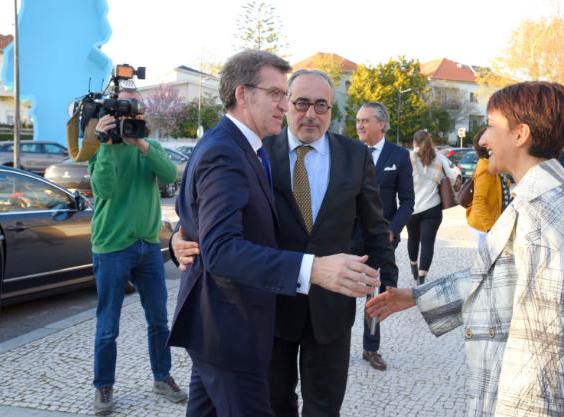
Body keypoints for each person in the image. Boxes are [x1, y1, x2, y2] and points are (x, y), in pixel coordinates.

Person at [367, 81, 564, 417]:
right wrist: (416, 296)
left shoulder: (544, 212)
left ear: (520, 134)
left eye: (489, 126)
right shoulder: (537, 196)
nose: (483, 140)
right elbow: (497, 275)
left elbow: (541, 341)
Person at [172, 68, 396, 417]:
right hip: (271, 306)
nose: (311, 114)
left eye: (321, 106)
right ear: (287, 104)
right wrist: (178, 240)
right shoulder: (259, 149)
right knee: (276, 403)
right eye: (302, 103)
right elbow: (216, 212)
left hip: (331, 309)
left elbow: (374, 224)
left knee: (324, 406)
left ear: (332, 112)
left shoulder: (355, 155)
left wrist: (388, 279)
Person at [90, 87, 187, 415]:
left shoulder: (150, 148)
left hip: (147, 246)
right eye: (129, 117)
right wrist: (105, 147)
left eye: (139, 117)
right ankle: (103, 386)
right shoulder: (101, 151)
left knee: (159, 320)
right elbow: (104, 189)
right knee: (108, 325)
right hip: (111, 246)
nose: (135, 122)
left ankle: (162, 377)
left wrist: (142, 144)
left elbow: (171, 175)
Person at [352, 101, 414, 371]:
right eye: (358, 120)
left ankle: (371, 348)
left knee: (376, 294)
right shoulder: (351, 153)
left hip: (383, 239)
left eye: (365, 120)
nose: (360, 125)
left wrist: (392, 230)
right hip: (350, 237)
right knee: (341, 292)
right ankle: (332, 347)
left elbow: (408, 202)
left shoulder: (399, 156)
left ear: (381, 123)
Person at [406, 130, 458, 284]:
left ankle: (413, 265)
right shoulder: (439, 157)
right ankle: (421, 278)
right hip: (433, 208)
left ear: (414, 142)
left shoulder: (408, 157)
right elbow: (452, 177)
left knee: (413, 239)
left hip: (412, 208)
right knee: (428, 243)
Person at [465, 128, 511, 244]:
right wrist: (490, 228)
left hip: (493, 223)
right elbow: (478, 201)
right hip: (484, 228)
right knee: (488, 261)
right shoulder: (486, 169)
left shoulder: (492, 163)